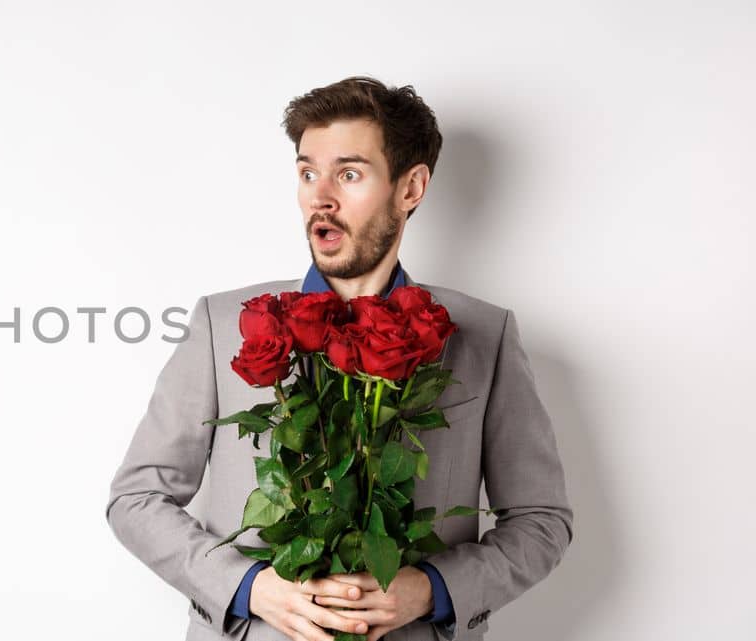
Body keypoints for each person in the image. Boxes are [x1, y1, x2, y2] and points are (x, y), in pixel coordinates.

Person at [104, 77, 574, 641]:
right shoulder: (221, 323)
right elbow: (137, 498)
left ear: (411, 187)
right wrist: (250, 586)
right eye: (307, 173)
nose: (319, 197)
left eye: (348, 174)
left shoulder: (484, 335)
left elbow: (542, 521)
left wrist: (431, 590)